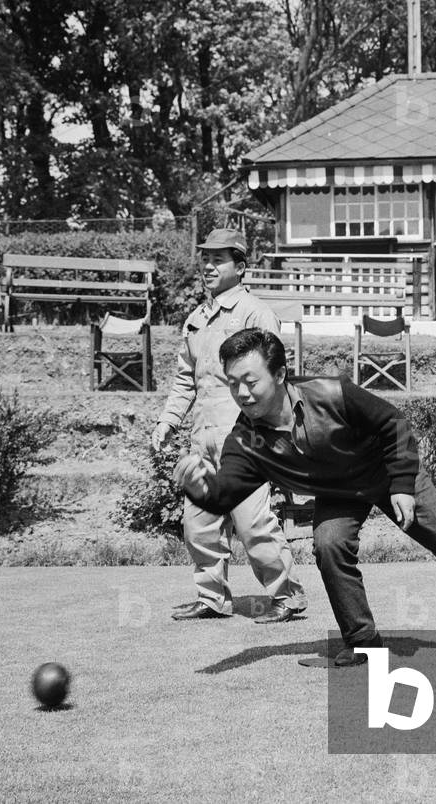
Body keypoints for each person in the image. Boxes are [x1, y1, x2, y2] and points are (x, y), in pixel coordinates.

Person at [174, 328, 436, 669]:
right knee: (329, 545)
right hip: (338, 491)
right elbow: (224, 496)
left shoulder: (329, 392)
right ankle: (363, 643)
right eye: (232, 383)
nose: (242, 393)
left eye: (250, 382)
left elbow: (394, 424)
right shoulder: (245, 441)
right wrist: (197, 486)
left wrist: (403, 484)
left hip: (387, 471)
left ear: (280, 374)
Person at [151, 228, 306, 623]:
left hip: (245, 434)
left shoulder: (255, 313)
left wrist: (275, 433)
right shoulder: (197, 319)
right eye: (205, 257)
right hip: (202, 435)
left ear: (240, 267)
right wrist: (169, 420)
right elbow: (186, 379)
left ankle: (286, 596)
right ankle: (211, 597)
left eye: (218, 259)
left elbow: (273, 377)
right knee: (198, 523)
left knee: (253, 522)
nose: (207, 265)